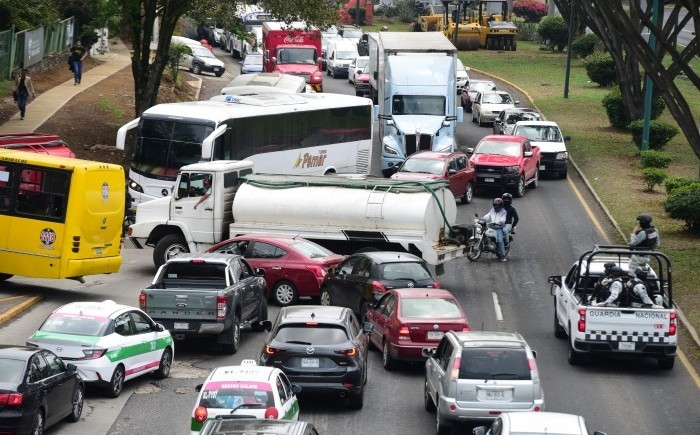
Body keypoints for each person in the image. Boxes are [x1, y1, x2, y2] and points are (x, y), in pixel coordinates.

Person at [483, 197, 508, 262]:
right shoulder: (492, 210)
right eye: (494, 205)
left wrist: (500, 221)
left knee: (500, 240)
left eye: (497, 205)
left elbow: (503, 219)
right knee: (483, 233)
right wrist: (481, 219)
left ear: (501, 205)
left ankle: (503, 256)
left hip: (499, 228)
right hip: (491, 226)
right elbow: (487, 216)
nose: (495, 206)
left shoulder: (504, 211)